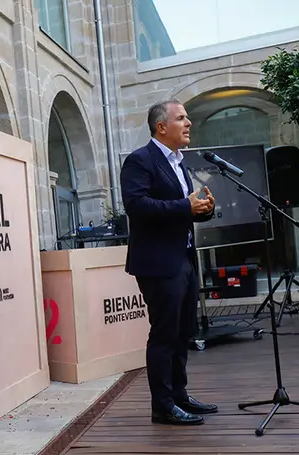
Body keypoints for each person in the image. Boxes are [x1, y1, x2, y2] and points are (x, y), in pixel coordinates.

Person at [120, 99, 217, 426]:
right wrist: (184, 207)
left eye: (187, 118)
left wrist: (203, 210)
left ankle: (179, 395)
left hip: (184, 259)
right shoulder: (140, 160)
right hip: (158, 263)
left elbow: (183, 210)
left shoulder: (179, 163)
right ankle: (162, 406)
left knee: (183, 331)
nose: (188, 123)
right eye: (181, 118)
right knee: (164, 334)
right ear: (161, 126)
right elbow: (137, 205)